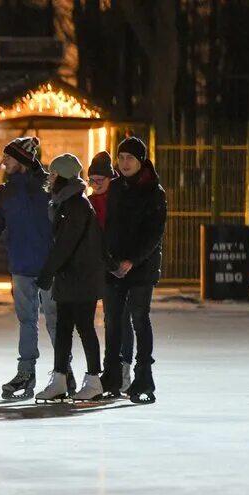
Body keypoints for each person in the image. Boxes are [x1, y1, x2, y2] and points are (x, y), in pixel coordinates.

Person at [0, 136, 59, 399]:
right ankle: (26, 373)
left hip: (49, 266)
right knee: (26, 321)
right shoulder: (4, 192)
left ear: (22, 160)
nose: (3, 161)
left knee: (55, 321)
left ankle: (62, 372)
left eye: (8, 158)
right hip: (21, 265)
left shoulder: (49, 188)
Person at [33, 154, 107, 402]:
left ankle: (94, 379)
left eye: (53, 174)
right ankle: (60, 379)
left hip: (81, 276)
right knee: (64, 329)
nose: (50, 178)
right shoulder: (65, 202)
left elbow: (66, 244)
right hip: (70, 276)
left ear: (63, 176)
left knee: (84, 327)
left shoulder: (75, 205)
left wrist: (47, 272)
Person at [101, 137, 166, 403]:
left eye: (130, 158)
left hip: (141, 267)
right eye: (121, 157)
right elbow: (106, 227)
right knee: (113, 320)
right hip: (114, 266)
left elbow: (154, 234)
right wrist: (110, 260)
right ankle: (112, 375)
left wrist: (133, 261)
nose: (124, 163)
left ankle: (143, 376)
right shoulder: (114, 189)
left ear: (141, 161)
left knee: (139, 317)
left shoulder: (154, 192)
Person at [88, 150, 133, 394]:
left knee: (122, 319)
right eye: (92, 180)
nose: (96, 185)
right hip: (103, 267)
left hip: (122, 266)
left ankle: (123, 368)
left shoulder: (120, 199)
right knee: (111, 319)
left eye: (100, 180)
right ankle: (113, 369)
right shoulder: (90, 203)